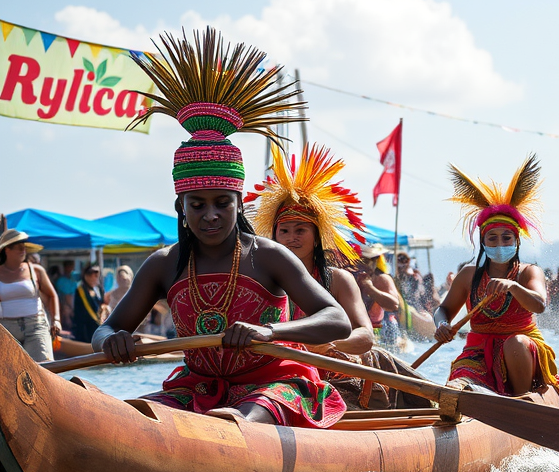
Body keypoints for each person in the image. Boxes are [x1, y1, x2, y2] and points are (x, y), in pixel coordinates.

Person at [94, 27, 352, 426]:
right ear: (181, 206)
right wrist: (111, 340)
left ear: (239, 203)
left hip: (275, 387)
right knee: (128, 417)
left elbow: (336, 319)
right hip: (196, 387)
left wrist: (270, 332)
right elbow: (107, 326)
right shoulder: (163, 264)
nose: (210, 215)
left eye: (222, 203)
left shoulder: (268, 255)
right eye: (197, 205)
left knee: (236, 420)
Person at [248, 142, 429, 409]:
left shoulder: (339, 280)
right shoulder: (264, 281)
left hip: (335, 371)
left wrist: (332, 344)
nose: (290, 238)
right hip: (280, 374)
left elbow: (365, 337)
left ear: (317, 236)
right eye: (283, 231)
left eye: (300, 230)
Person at [434, 153, 559, 397]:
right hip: (477, 352)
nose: (499, 243)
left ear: (516, 241)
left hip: (521, 350)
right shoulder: (468, 275)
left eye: (507, 238)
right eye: (492, 238)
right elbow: (443, 310)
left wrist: (512, 287)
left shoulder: (529, 272)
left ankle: (522, 400)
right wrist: (442, 324)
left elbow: (539, 305)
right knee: (456, 389)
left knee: (513, 343)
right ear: (483, 242)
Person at [0, 219, 60, 361]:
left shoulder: (36, 270)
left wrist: (56, 320)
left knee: (44, 368)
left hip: (35, 325)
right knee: (8, 373)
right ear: (7, 249)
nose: (23, 250)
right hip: (7, 328)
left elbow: (52, 296)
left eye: (24, 247)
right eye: (19, 247)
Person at [353, 243, 402, 351]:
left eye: (366, 261)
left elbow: (394, 305)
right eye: (359, 261)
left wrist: (370, 288)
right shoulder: (347, 277)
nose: (362, 265)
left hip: (381, 338)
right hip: (355, 336)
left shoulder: (381, 279)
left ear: (375, 262)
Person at [72, 264, 104, 344]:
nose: (96, 277)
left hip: (97, 324)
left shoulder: (98, 289)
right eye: (93, 274)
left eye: (97, 275)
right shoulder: (81, 290)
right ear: (86, 276)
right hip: (85, 326)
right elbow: (84, 310)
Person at [54, 260, 77, 328]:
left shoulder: (73, 279)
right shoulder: (61, 280)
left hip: (74, 304)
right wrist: (69, 308)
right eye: (69, 266)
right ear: (65, 267)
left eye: (72, 266)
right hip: (64, 305)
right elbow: (65, 295)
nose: (71, 269)